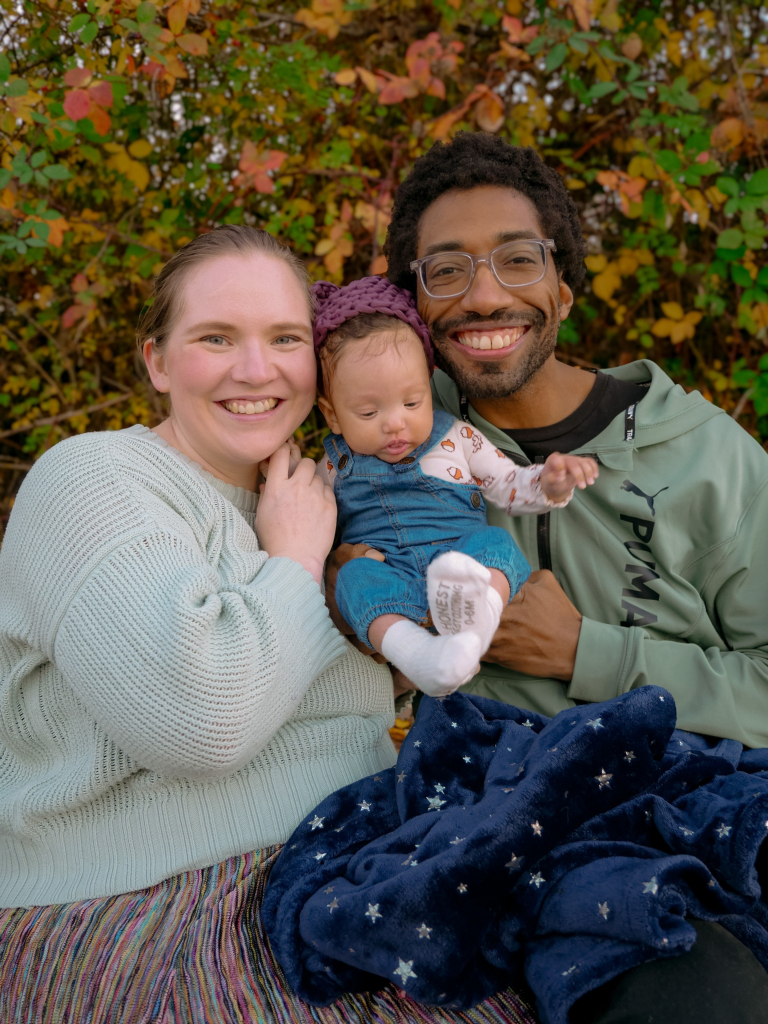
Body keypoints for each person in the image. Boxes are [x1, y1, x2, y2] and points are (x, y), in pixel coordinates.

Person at [327, 133, 768, 1022]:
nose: (485, 293)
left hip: (721, 788)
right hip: (550, 836)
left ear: (563, 284)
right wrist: (341, 571)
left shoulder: (712, 456)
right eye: (446, 270)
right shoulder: (387, 454)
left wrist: (590, 652)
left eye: (517, 260)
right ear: (413, 306)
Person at [312, 275, 597, 696]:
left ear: (428, 387)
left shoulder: (455, 439)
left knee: (496, 544)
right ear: (333, 415)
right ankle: (416, 657)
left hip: (463, 571)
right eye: (369, 413)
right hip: (391, 579)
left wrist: (549, 483)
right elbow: (309, 521)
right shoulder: (335, 463)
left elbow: (510, 485)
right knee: (354, 579)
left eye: (412, 402)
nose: (396, 423)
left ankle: (473, 631)